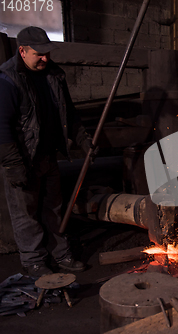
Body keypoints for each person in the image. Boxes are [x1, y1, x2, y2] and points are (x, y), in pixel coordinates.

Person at [0, 26, 94, 277]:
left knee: (53, 209)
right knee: (26, 215)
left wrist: (84, 140)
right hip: (23, 159)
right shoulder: (8, 80)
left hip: (48, 156)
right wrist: (12, 164)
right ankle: (33, 262)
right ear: (22, 51)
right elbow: (1, 126)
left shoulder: (53, 75)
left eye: (47, 53)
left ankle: (60, 254)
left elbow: (69, 113)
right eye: (38, 54)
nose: (45, 58)